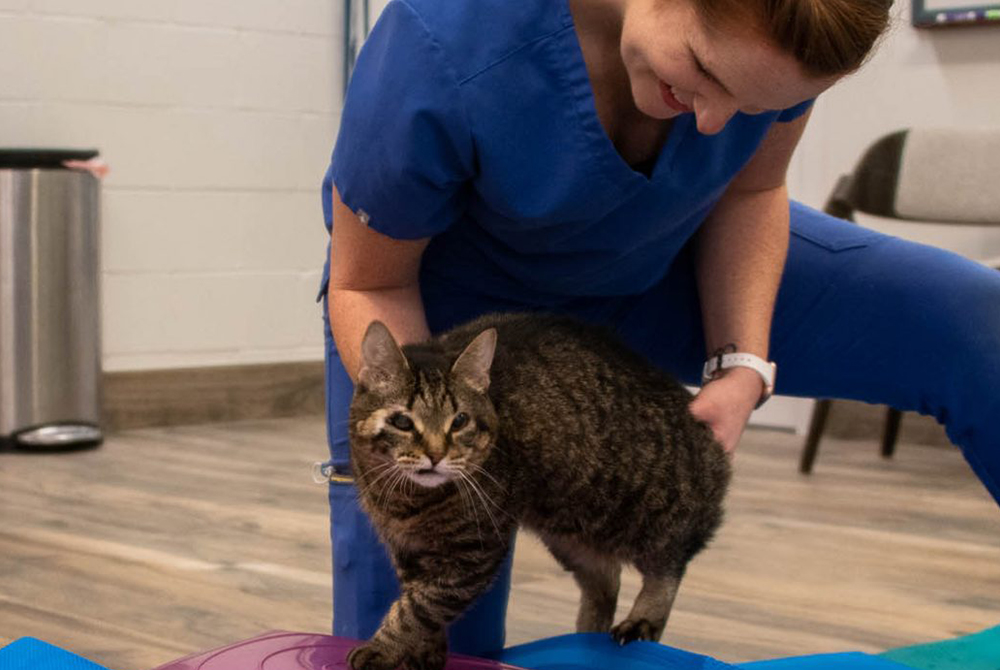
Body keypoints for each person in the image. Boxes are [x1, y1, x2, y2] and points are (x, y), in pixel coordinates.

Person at [318, 0, 1000, 657]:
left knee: (974, 320)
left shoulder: (786, 43)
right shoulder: (443, 39)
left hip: (660, 253)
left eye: (754, 107)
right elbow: (368, 281)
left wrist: (742, 362)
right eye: (705, 72)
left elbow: (751, 189)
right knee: (420, 633)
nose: (713, 124)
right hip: (448, 323)